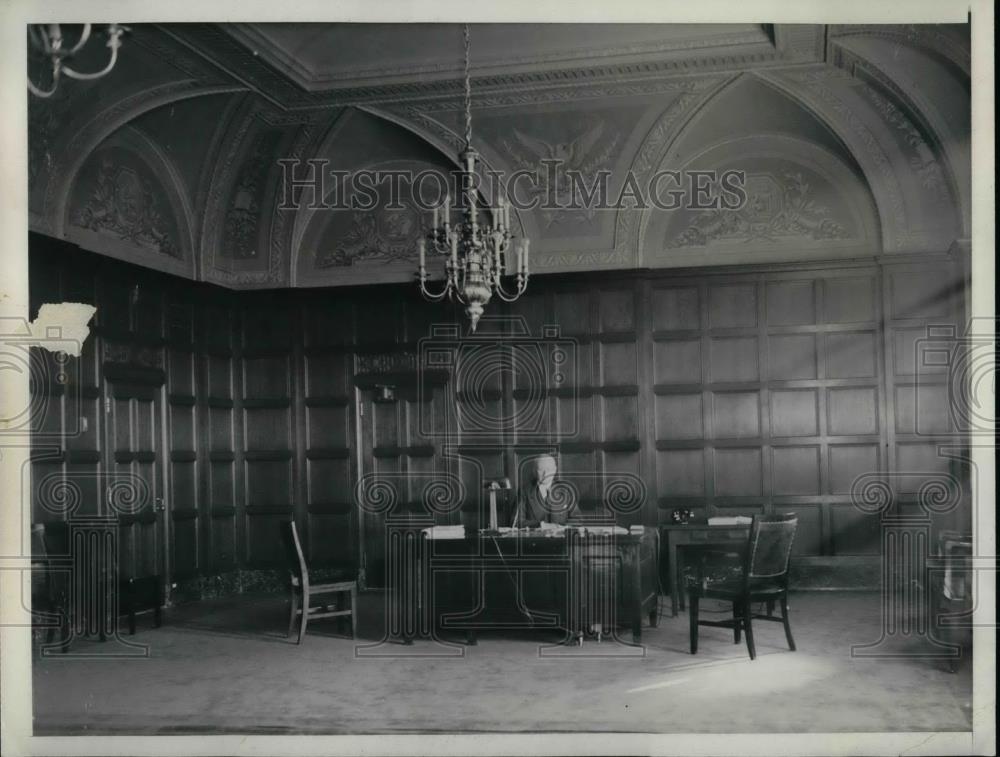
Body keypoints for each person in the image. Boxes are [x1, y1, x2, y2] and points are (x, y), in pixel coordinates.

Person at [511, 455, 579, 527]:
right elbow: (516, 522)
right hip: (536, 537)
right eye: (541, 470)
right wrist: (540, 525)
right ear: (534, 471)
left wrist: (564, 528)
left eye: (549, 469)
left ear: (555, 470)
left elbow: (577, 519)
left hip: (561, 537)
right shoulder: (524, 491)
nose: (546, 474)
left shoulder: (566, 491)